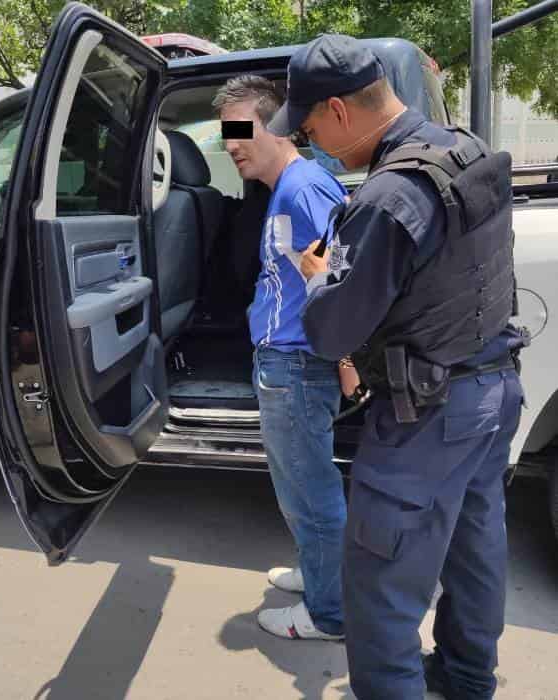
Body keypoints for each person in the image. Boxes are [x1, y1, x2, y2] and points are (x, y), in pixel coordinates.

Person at [268, 34, 526, 699]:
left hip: (427, 416)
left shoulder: (387, 197)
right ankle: (465, 681)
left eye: (310, 129)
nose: (314, 145)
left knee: (379, 586)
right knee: (473, 552)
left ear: (338, 109)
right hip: (492, 390)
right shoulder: (460, 148)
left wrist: (319, 276)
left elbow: (330, 332)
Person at [213, 75, 356, 640]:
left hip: (297, 364)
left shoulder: (301, 189)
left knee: (310, 493)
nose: (232, 144)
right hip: (286, 361)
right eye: (226, 133)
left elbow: (337, 279)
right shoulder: (289, 188)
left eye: (241, 129)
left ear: (276, 125)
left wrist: (345, 360)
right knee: (298, 489)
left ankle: (329, 614)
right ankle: (320, 576)